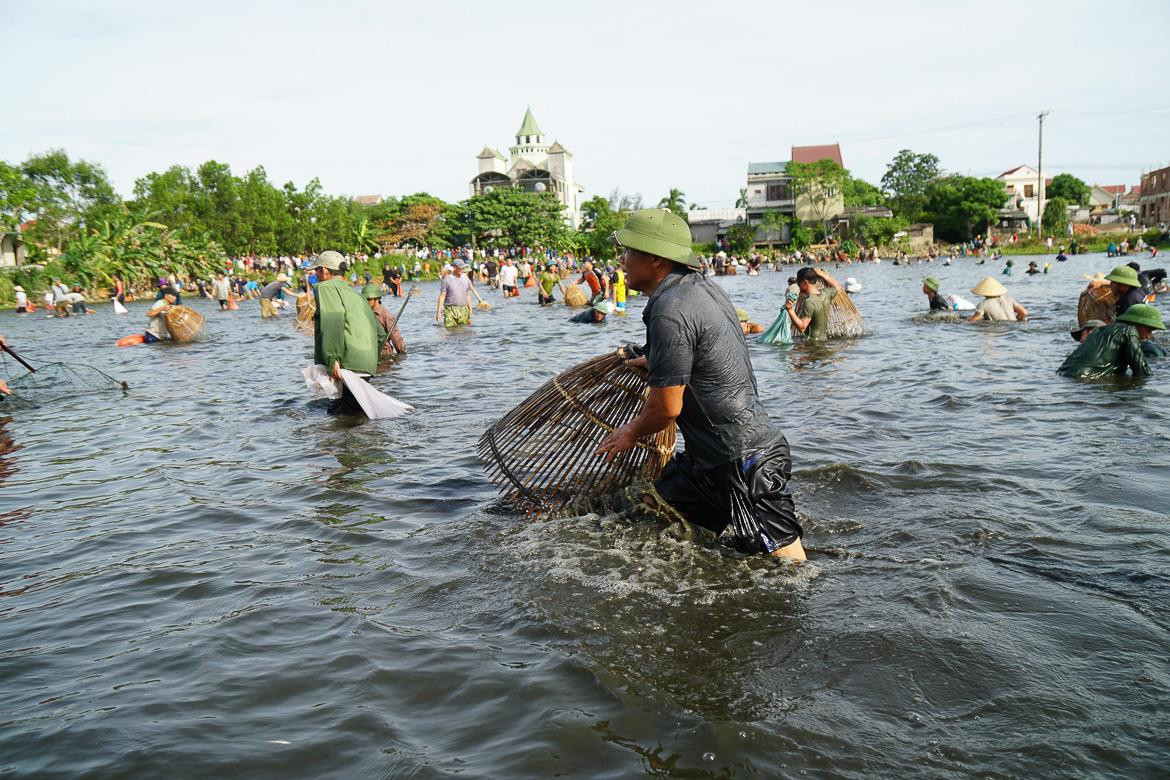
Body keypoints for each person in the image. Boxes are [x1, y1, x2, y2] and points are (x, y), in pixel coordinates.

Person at [595, 208, 805, 561]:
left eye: (629, 251)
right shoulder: (700, 288)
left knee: (789, 569)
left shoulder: (669, 308)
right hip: (708, 459)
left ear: (656, 259)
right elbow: (707, 346)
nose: (622, 259)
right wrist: (659, 359)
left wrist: (628, 433)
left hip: (744, 459)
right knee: (651, 516)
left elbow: (666, 409)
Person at [313, 250, 386, 414]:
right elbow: (380, 333)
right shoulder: (354, 294)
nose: (316, 275)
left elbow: (333, 321)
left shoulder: (326, 287)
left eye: (317, 270)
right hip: (365, 364)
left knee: (344, 419)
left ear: (324, 270)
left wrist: (332, 360)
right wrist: (370, 359)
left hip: (347, 366)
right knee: (356, 416)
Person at [1058, 304, 1164, 378]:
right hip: (1085, 378)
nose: (1149, 336)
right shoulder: (1129, 330)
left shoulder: (1103, 330)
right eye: (1149, 330)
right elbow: (1141, 371)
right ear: (1136, 323)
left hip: (1065, 374)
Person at [787, 266, 842, 341]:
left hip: (812, 345)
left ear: (805, 283)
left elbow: (802, 327)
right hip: (824, 341)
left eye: (799, 283)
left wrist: (790, 310)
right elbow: (837, 287)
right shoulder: (826, 294)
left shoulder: (809, 302)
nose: (798, 286)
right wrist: (823, 275)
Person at [362, 284, 406, 355]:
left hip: (384, 355)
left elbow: (395, 337)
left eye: (369, 299)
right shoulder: (365, 313)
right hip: (370, 353)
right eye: (365, 299)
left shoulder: (386, 315)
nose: (366, 301)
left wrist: (401, 353)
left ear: (377, 299)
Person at [436, 258, 475, 327]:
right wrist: (439, 312)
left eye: (463, 267)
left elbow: (467, 295)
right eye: (460, 267)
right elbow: (442, 295)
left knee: (463, 331)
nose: (462, 269)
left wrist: (470, 310)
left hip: (463, 309)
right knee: (450, 330)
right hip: (450, 309)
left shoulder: (466, 279)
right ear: (454, 267)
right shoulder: (446, 280)